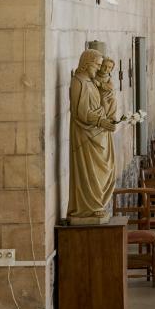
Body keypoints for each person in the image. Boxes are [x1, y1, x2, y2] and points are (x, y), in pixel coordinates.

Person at [66, 44, 117, 221]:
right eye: (97, 65)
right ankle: (89, 206)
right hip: (85, 135)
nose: (99, 69)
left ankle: (96, 204)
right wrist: (100, 121)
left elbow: (98, 105)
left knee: (104, 170)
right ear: (87, 64)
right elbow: (80, 112)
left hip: (97, 133)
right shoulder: (78, 82)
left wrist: (108, 115)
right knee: (90, 172)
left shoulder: (91, 82)